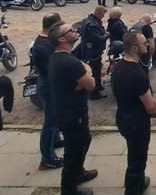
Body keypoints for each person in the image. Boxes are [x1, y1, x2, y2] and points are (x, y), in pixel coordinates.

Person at [48, 21, 98, 195]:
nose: (75, 30)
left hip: (70, 111)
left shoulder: (59, 57)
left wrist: (83, 76)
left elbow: (83, 81)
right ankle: (69, 189)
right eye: (70, 30)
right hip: (71, 113)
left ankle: (78, 171)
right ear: (62, 39)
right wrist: (87, 72)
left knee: (85, 140)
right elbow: (91, 84)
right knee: (74, 150)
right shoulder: (68, 62)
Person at [112, 32, 156, 195]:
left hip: (123, 117)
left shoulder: (119, 67)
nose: (147, 44)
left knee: (134, 154)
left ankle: (138, 181)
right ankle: (132, 189)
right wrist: (154, 109)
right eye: (144, 43)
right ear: (133, 48)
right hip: (136, 122)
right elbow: (150, 107)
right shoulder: (138, 74)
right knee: (137, 158)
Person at [33, 12, 64, 170]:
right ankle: (48, 158)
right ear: (54, 27)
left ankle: (56, 140)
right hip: (50, 84)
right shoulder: (43, 45)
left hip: (49, 83)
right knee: (50, 121)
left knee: (55, 117)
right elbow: (52, 67)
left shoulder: (43, 41)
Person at [81, 6, 109, 99]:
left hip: (92, 50)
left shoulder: (89, 20)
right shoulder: (92, 24)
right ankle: (94, 93)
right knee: (94, 72)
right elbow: (99, 39)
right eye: (103, 14)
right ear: (99, 13)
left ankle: (98, 86)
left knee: (96, 71)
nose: (103, 16)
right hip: (93, 52)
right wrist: (108, 34)